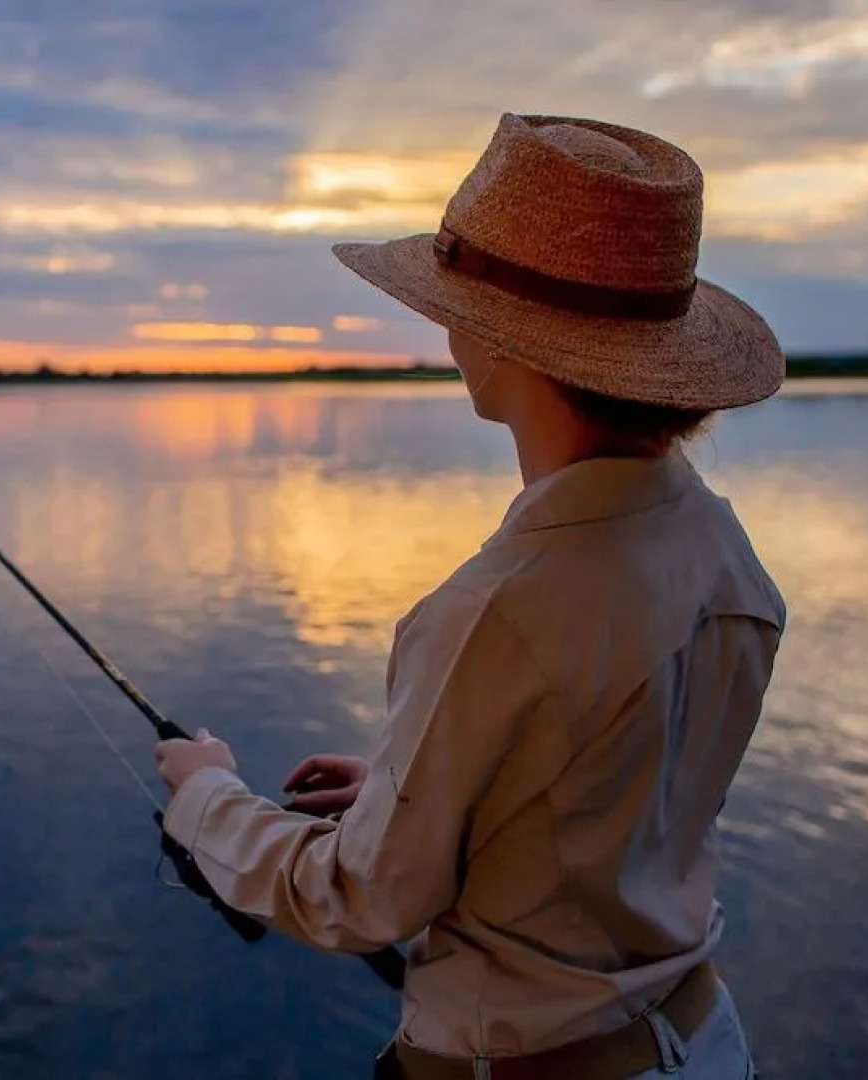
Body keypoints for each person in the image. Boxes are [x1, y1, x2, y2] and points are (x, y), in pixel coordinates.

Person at [155, 113, 787, 1080]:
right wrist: (423, 797)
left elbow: (354, 900)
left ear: (502, 348)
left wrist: (205, 795)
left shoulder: (499, 609)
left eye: (452, 305)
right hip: (703, 1041)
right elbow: (619, 797)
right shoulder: (719, 546)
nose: (445, 329)